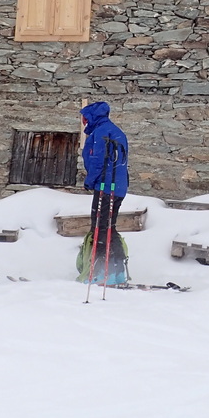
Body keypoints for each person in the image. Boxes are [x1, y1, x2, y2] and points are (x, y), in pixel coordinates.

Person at [80, 101, 130, 283]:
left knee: (100, 227)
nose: (83, 121)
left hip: (105, 186)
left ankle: (102, 271)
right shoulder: (116, 131)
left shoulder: (101, 132)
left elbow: (98, 160)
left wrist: (90, 181)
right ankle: (117, 270)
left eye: (85, 117)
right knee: (109, 227)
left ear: (92, 117)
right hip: (118, 187)